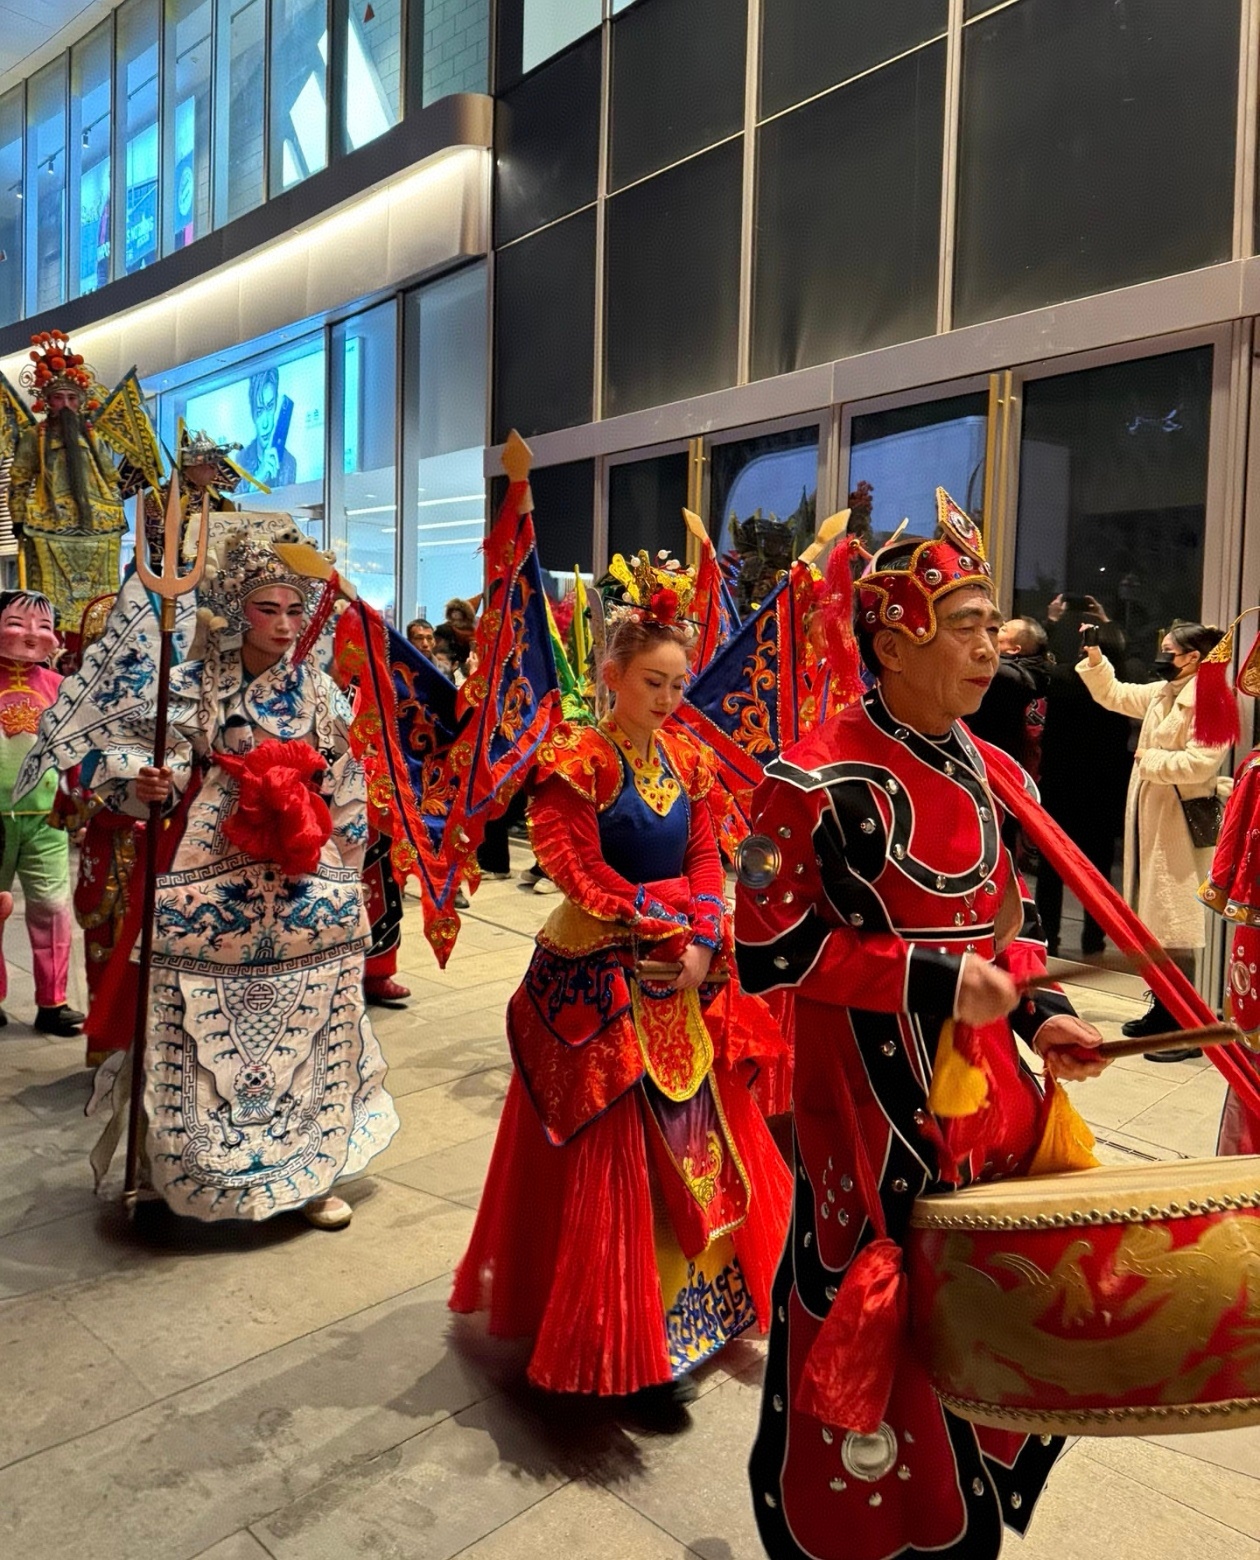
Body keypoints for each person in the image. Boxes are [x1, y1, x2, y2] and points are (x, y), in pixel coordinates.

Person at [736, 490, 1108, 1560]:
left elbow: (1008, 929)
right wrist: (935, 977)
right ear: (893, 643)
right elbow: (770, 948)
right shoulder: (805, 779)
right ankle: (865, 1524)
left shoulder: (995, 772)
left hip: (985, 1096)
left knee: (993, 1299)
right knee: (875, 1291)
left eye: (993, 624)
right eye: (966, 625)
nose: (990, 647)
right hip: (867, 1103)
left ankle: (965, 1510)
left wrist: (1046, 1016)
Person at [450, 596, 792, 1424]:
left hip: (682, 966)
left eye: (677, 684)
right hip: (603, 968)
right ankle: (626, 1339)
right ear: (611, 676)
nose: (668, 699)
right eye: (652, 682)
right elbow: (573, 864)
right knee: (623, 1152)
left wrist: (703, 937)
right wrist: (654, 920)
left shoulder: (687, 756)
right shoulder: (577, 759)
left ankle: (692, 1313)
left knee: (699, 1135)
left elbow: (707, 852)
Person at [43, 529, 399, 1227]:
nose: (286, 625)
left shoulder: (322, 691)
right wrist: (149, 783)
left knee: (314, 1020)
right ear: (238, 609)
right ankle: (174, 1171)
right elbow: (151, 762)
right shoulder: (192, 684)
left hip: (302, 872)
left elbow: (348, 780)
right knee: (190, 1019)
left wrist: (348, 868)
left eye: (295, 611)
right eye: (270, 609)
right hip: (210, 870)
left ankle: (310, 1172)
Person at [1077, 619, 1229, 1057]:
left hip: (1180, 822)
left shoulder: (1212, 699)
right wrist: (1095, 657)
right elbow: (1116, 694)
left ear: (1193, 658)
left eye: (1170, 650)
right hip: (1155, 819)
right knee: (1156, 925)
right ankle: (1164, 1010)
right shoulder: (1166, 691)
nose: (1162, 656)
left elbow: (1201, 764)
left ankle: (1185, 1028)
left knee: (1175, 924)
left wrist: (1150, 759)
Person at [0, 590, 84, 1036]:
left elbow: (74, 752)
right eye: (17, 623)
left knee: (52, 909)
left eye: (44, 626)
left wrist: (78, 801)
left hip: (47, 818)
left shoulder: (59, 688)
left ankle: (53, 1002)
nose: (32, 634)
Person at [8, 332, 126, 639]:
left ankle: (97, 641)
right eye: (59, 398)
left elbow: (110, 475)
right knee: (47, 592)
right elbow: (19, 480)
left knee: (103, 597)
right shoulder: (35, 436)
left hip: (98, 525)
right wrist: (18, 519)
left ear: (81, 402)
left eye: (72, 399)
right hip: (49, 524)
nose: (66, 404)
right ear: (47, 402)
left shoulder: (92, 435)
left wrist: (115, 502)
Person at [1034, 619, 1136, 957]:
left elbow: (1045, 669)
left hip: (1061, 782)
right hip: (1104, 787)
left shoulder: (1063, 677)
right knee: (1099, 873)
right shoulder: (1124, 682)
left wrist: (1053, 624)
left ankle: (1048, 937)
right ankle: (1094, 940)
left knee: (1051, 869)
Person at [966, 615, 1049, 766]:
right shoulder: (1029, 669)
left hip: (991, 755)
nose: (995, 629)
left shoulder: (1006, 675)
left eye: (1003, 629)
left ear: (1013, 649)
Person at [239, 367, 297, 489]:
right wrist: (257, 480)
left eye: (270, 406)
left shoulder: (288, 463)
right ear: (253, 414)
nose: (266, 424)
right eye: (259, 411)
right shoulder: (240, 460)